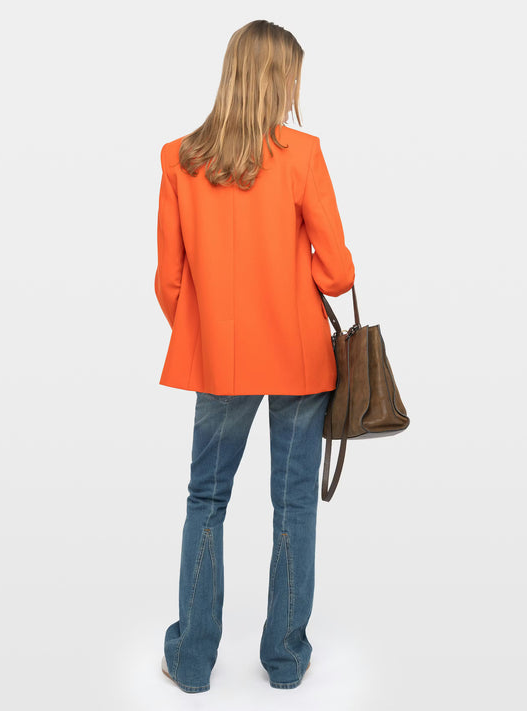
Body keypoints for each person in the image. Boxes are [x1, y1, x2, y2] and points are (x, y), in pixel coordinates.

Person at [155, 19, 355, 693]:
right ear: (278, 77)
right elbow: (337, 273)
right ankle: (285, 660)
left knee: (206, 498)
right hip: (298, 356)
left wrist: (210, 331)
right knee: (293, 504)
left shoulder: (179, 159)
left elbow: (169, 281)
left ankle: (190, 661)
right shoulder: (302, 154)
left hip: (221, 360)